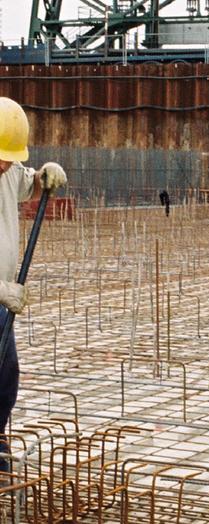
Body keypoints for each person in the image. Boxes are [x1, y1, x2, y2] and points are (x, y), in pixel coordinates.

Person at [0, 97, 67, 441]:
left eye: (9, 158)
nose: (4, 165)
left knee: (5, 375)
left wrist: (44, 175)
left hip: (1, 301)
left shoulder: (8, 169)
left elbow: (30, 183)